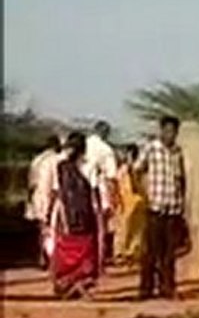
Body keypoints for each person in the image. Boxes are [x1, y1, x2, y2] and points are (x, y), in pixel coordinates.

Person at [44, 132, 101, 299]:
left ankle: (67, 282)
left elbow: (55, 192)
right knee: (84, 248)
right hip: (82, 214)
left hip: (67, 215)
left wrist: (48, 214)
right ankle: (78, 282)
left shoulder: (60, 166)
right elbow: (94, 192)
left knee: (67, 247)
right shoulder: (87, 166)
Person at [136, 116, 187, 300]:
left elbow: (181, 178)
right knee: (150, 252)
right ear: (161, 131)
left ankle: (167, 287)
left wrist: (182, 203)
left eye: (174, 132)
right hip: (155, 207)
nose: (170, 135)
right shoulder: (151, 148)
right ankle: (146, 289)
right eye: (167, 131)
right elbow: (137, 170)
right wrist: (144, 195)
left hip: (172, 208)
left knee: (169, 253)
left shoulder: (177, 152)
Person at [25, 134, 63, 268]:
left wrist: (30, 200)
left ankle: (42, 256)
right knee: (54, 230)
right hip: (52, 197)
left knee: (41, 229)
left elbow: (31, 183)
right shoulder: (57, 159)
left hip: (38, 197)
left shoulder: (37, 160)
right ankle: (52, 257)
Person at [85, 120, 119, 268]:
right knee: (100, 227)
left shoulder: (83, 144)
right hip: (96, 190)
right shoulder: (106, 149)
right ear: (105, 133)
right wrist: (115, 197)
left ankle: (85, 258)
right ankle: (98, 260)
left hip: (78, 192)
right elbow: (111, 176)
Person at [114, 144, 147, 265]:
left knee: (132, 229)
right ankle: (123, 253)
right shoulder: (126, 169)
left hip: (133, 201)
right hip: (127, 201)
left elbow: (136, 185)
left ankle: (129, 253)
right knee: (125, 228)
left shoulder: (132, 169)